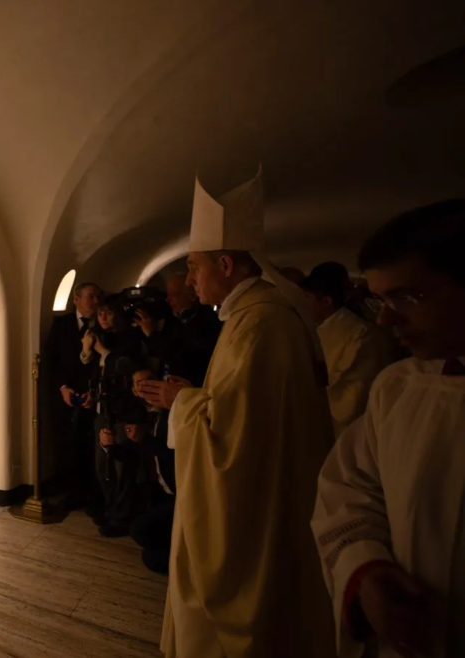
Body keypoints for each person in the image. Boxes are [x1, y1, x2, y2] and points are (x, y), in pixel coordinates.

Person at [137, 167, 335, 657]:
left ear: (226, 265)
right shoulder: (249, 317)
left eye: (196, 267)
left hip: (254, 507)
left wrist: (181, 401)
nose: (189, 279)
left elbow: (233, 439)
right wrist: (196, 395)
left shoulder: (262, 325)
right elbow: (238, 407)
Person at [312, 199, 465, 658]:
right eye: (380, 298)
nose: (384, 318)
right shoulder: (398, 388)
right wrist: (368, 570)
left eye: (408, 297)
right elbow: (350, 490)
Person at [300, 265, 396, 437]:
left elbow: (352, 398)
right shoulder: (316, 330)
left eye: (307, 297)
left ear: (326, 301)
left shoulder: (360, 334)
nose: (303, 303)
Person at [85, 298, 147, 536]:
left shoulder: (128, 339)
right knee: (103, 466)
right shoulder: (101, 339)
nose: (103, 318)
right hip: (102, 409)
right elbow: (95, 371)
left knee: (120, 466)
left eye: (109, 313)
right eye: (100, 313)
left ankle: (122, 516)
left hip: (122, 410)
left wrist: (102, 352)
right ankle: (111, 509)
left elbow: (125, 367)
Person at [43, 282, 103, 510]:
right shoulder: (61, 324)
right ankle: (71, 490)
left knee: (92, 445)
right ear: (76, 299)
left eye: (98, 297)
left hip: (94, 395)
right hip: (66, 395)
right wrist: (62, 387)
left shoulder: (104, 323)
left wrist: (94, 392)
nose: (95, 302)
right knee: (66, 443)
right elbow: (52, 359)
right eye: (90, 297)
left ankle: (92, 493)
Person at [126, 365, 175, 574]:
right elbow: (130, 457)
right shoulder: (139, 416)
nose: (147, 387)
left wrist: (145, 440)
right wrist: (107, 445)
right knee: (149, 554)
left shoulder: (171, 415)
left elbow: (176, 457)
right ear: (134, 391)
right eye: (141, 384)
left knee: (142, 534)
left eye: (151, 380)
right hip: (156, 491)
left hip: (178, 492)